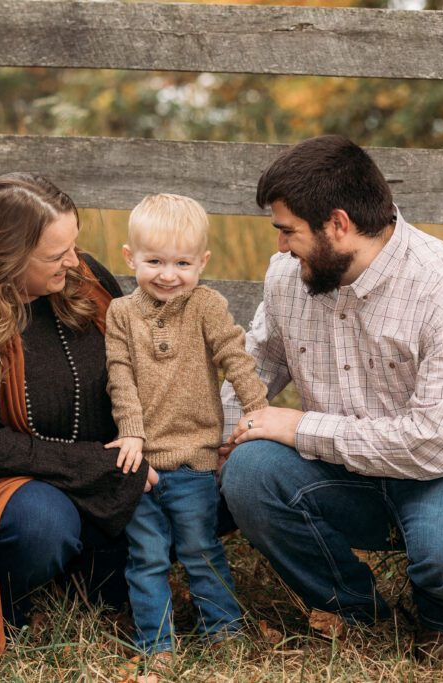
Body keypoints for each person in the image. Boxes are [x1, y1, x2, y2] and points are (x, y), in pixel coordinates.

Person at [219, 136, 443, 665]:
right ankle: (357, 612)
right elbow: (256, 367)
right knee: (251, 471)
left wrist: (297, 427)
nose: (279, 247)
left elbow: (435, 445)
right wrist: (200, 443)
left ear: (338, 225)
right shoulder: (289, 279)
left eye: (287, 231)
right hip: (350, 464)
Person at [0, 173, 157, 659]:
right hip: (2, 485)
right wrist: (106, 467)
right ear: (6, 254)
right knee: (43, 524)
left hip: (99, 473)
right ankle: (13, 600)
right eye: (54, 254)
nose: (72, 261)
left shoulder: (86, 281)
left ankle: (91, 581)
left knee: (207, 483)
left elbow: (138, 366)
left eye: (73, 245)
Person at [104, 193, 269, 655]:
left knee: (201, 550)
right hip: (139, 462)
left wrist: (256, 410)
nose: (168, 274)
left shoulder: (206, 306)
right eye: (154, 260)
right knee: (147, 557)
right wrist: (131, 431)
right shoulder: (120, 314)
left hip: (195, 460)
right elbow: (119, 376)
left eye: (182, 262)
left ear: (202, 262)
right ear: (129, 257)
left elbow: (235, 355)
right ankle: (155, 643)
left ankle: (225, 633)